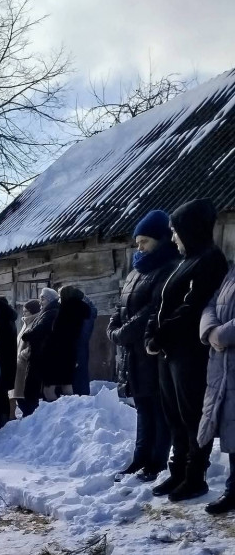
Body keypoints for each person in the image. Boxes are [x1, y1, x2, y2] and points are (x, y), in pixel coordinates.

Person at [147, 198, 229, 502]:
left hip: (190, 354)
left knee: (192, 416)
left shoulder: (210, 260)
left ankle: (195, 477)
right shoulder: (185, 261)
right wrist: (151, 334)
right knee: (174, 417)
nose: (172, 238)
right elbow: (161, 303)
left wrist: (162, 335)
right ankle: (178, 471)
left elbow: (192, 308)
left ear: (190, 229)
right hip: (170, 353)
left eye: (175, 231)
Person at [108, 210, 179, 481]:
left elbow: (153, 309)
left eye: (145, 242)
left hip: (154, 353)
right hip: (133, 355)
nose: (139, 247)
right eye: (138, 242)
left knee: (159, 410)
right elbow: (121, 305)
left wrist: (123, 333)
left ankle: (156, 462)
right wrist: (114, 327)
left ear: (161, 240)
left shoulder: (168, 267)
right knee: (143, 410)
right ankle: (139, 459)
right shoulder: (136, 270)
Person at [198, 262, 235, 515]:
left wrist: (224, 334)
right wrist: (210, 330)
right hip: (225, 363)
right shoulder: (232, 271)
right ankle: (234, 489)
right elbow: (211, 303)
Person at [42, 285, 89, 401]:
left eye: (60, 296)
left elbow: (57, 333)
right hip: (70, 352)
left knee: (48, 389)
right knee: (66, 386)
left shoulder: (66, 310)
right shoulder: (80, 310)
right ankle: (70, 413)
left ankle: (54, 414)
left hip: (58, 353)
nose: (58, 299)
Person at [20, 287, 60, 414]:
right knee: (35, 389)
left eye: (42, 298)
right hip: (39, 354)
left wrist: (27, 335)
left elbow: (40, 330)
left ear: (49, 300)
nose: (40, 301)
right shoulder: (47, 311)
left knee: (34, 389)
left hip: (41, 355)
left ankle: (33, 417)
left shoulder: (51, 313)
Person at [0, 296, 18, 427]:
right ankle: (4, 421)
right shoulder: (10, 319)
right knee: (3, 394)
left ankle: (0, 423)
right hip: (9, 361)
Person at [11, 299, 41, 415]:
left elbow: (35, 345)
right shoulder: (26, 323)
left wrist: (22, 355)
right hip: (20, 365)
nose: (23, 314)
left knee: (25, 396)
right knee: (19, 395)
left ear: (33, 311)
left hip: (26, 364)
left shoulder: (35, 323)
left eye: (26, 311)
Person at [74, 292, 97, 397]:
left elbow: (83, 334)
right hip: (79, 347)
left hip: (78, 347)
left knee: (80, 375)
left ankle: (81, 397)